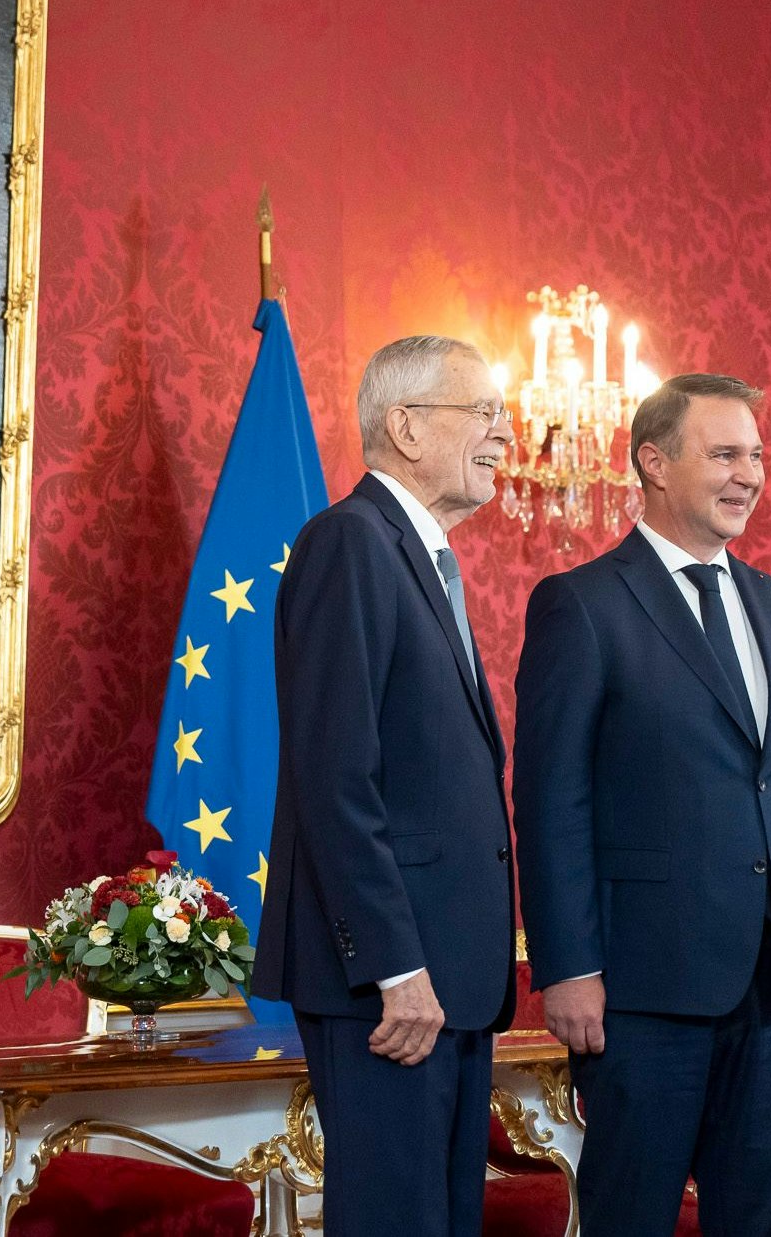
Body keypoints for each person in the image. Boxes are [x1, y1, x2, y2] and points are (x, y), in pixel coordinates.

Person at [512, 372, 771, 1236]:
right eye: (725, 453)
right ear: (655, 462)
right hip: (643, 987)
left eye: (756, 455)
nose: (749, 474)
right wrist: (566, 966)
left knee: (760, 1216)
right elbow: (550, 801)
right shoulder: (582, 604)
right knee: (632, 1215)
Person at [251, 335, 517, 1236]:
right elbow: (337, 779)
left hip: (451, 976)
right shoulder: (350, 543)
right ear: (405, 425)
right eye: (481, 412)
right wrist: (398, 968)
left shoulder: (423, 556)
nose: (504, 434)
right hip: (393, 984)